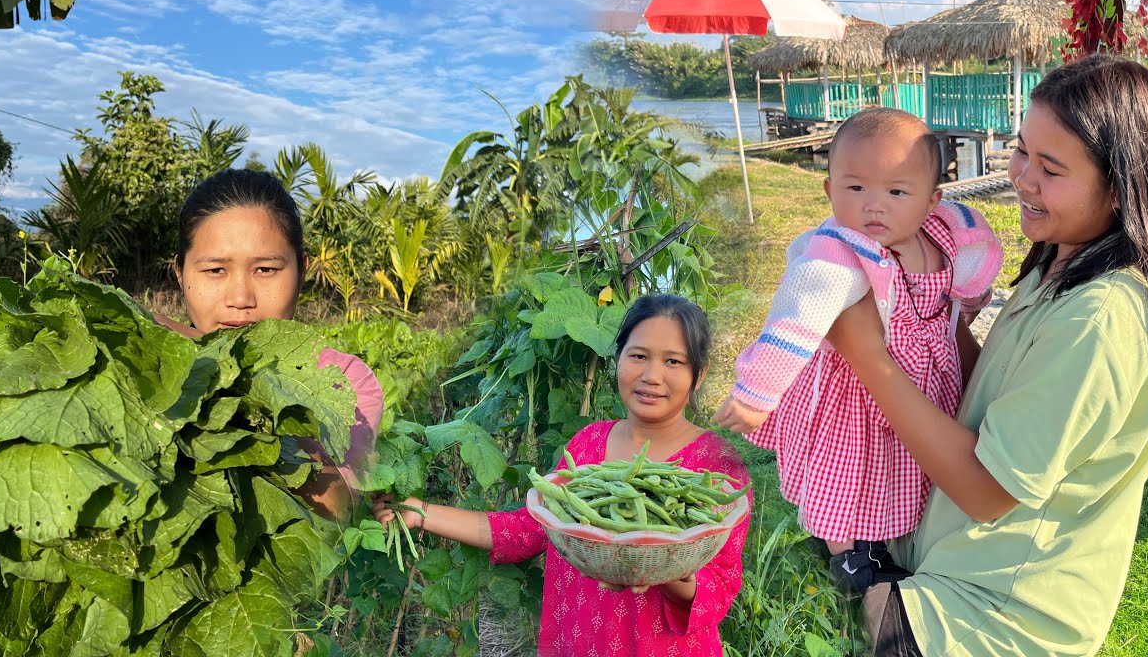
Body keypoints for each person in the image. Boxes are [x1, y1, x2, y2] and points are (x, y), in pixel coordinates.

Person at [824, 54, 1148, 656]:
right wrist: (935, 319)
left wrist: (869, 356)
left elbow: (989, 491)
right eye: (1022, 151)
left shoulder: (1102, 316)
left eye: (1051, 168)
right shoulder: (1060, 260)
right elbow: (990, 393)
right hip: (952, 560)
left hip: (992, 619)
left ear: (1120, 189)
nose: (1021, 177)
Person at [711, 107, 1003, 590]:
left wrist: (970, 302)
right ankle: (848, 553)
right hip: (856, 396)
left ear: (932, 201)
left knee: (904, 463)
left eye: (896, 192)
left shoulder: (944, 235)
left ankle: (890, 535)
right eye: (856, 188)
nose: (874, 206)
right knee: (851, 469)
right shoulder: (841, 252)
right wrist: (756, 392)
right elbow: (796, 317)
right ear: (829, 190)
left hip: (920, 383)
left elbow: (963, 287)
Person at [373, 294, 751, 656]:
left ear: (698, 375)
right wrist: (420, 511)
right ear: (618, 359)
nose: (651, 375)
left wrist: (662, 567)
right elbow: (528, 529)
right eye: (638, 356)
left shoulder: (718, 464)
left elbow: (720, 587)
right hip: (578, 640)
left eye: (673, 362)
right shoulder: (588, 443)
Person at [155, 168, 382, 520]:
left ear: (302, 271)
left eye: (265, 269)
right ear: (180, 273)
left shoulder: (344, 380)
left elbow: (342, 508)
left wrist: (246, 381)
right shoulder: (149, 362)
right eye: (216, 270)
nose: (241, 298)